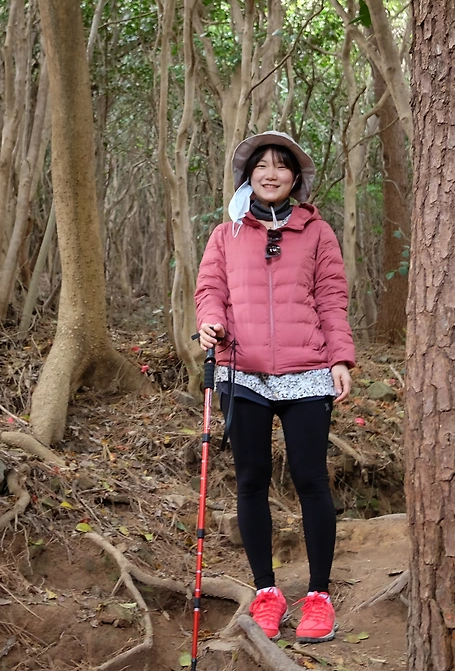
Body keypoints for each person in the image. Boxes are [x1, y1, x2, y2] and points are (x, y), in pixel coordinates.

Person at [195, 131, 355, 644]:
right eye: (261, 165)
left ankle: (319, 596)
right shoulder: (226, 234)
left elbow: (331, 298)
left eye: (281, 165)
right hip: (242, 371)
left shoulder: (317, 232)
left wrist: (340, 357)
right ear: (249, 176)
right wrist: (210, 322)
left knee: (311, 479)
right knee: (251, 479)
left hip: (308, 369)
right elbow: (210, 290)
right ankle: (266, 591)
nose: (271, 173)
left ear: (294, 177)